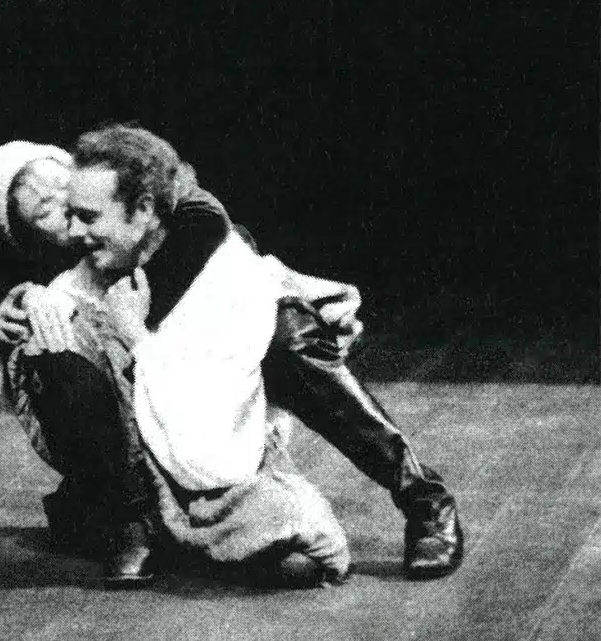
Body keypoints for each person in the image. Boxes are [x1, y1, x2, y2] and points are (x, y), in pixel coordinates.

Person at [62, 124, 464, 580]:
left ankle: (424, 500)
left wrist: (138, 333)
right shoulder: (85, 250)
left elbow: (219, 239)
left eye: (84, 215)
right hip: (161, 445)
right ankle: (123, 519)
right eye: (36, 212)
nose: (67, 229)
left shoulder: (194, 229)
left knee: (287, 337)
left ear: (144, 209)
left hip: (216, 427)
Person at [0, 142, 351, 589]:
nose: (71, 210)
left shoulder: (183, 241)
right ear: (33, 237)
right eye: (47, 209)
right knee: (43, 343)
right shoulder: (61, 290)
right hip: (132, 455)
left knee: (300, 552)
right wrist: (1, 333)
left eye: (72, 187)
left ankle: (175, 532)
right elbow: (18, 387)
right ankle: (131, 523)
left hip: (211, 440)